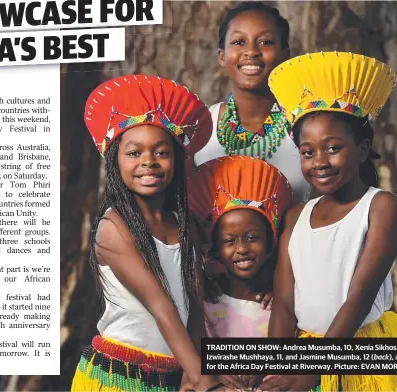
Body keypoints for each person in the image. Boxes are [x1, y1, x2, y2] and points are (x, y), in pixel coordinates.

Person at [261, 52, 397, 391]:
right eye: (308, 152)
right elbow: (285, 302)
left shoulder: (381, 207)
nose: (319, 161)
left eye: (333, 148)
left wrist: (311, 373)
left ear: (362, 149)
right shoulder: (296, 218)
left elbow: (358, 298)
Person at [70, 74, 222, 392]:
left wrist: (191, 373)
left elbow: (193, 307)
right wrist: (202, 379)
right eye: (134, 153)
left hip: (170, 375)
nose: (148, 162)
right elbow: (161, 305)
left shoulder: (185, 226)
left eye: (161, 153)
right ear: (115, 161)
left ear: (177, 160)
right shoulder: (113, 228)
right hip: (117, 376)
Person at [185, 156, 293, 390]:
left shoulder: (281, 306)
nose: (242, 248)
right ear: (215, 250)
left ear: (271, 244)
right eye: (229, 241)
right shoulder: (206, 305)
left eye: (252, 238)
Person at [193, 1, 311, 206]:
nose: (251, 51)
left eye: (265, 42)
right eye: (239, 42)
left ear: (285, 54)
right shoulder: (200, 127)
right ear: (222, 56)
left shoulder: (306, 124)